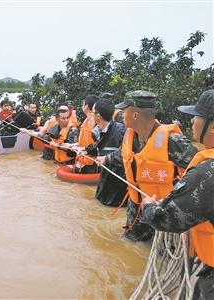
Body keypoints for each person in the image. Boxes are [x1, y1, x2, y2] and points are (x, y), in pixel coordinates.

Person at [140, 89, 214, 299]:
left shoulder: (206, 173)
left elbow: (166, 219)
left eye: (197, 117)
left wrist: (149, 207)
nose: (192, 123)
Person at [101, 90, 198, 241]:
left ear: (135, 115)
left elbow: (200, 171)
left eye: (124, 111)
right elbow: (122, 155)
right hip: (136, 208)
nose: (121, 114)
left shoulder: (172, 141)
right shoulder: (130, 136)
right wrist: (104, 159)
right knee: (130, 245)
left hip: (164, 212)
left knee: (164, 255)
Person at [75, 98, 128, 206]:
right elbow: (99, 146)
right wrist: (85, 150)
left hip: (117, 184)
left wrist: (106, 159)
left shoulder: (121, 131)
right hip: (105, 178)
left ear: (98, 116)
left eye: (93, 113)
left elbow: (127, 154)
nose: (91, 115)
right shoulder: (101, 130)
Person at [70, 95, 100, 174]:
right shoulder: (87, 119)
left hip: (90, 161)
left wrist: (83, 149)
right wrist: (75, 145)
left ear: (86, 106)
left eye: (83, 104)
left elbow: (95, 141)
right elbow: (85, 139)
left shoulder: (93, 119)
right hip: (81, 157)